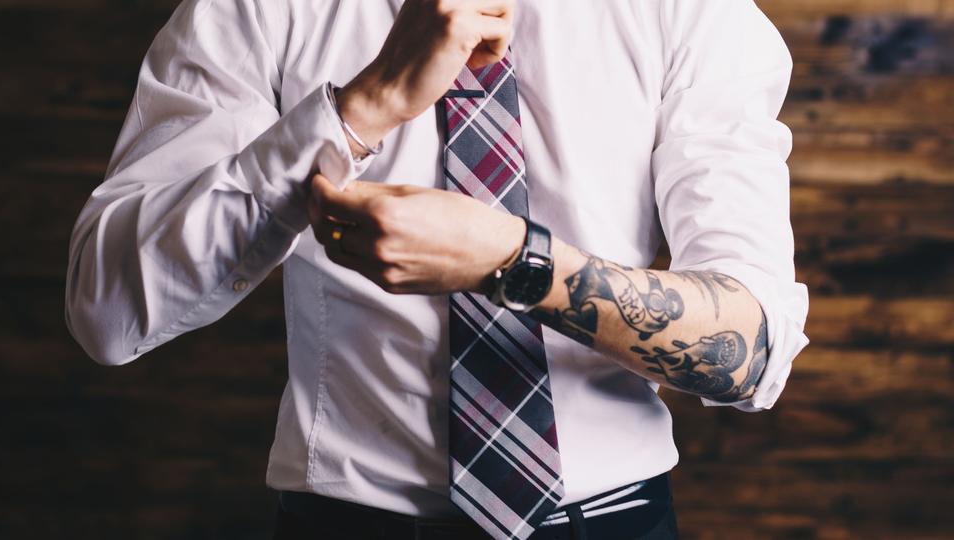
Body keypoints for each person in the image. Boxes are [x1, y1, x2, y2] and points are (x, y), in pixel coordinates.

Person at [65, 0, 810, 538]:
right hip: (346, 524)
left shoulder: (690, 15)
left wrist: (514, 262)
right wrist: (360, 109)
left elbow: (751, 349)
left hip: (612, 522)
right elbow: (106, 314)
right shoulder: (258, 11)